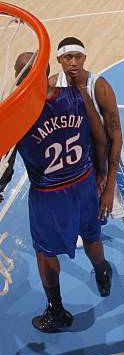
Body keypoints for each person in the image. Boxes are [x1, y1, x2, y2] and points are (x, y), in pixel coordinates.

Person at [0, 52, 112, 332]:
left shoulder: (20, 113)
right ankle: (102, 273)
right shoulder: (76, 96)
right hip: (83, 182)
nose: (16, 78)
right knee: (91, 234)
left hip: (50, 195)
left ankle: (57, 311)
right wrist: (101, 175)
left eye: (18, 72)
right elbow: (100, 140)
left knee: (45, 253)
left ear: (27, 76)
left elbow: (7, 164)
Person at [50, 37, 124, 278]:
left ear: (84, 58)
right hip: (77, 158)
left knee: (123, 206)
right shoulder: (53, 84)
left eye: (78, 57)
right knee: (80, 204)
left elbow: (116, 134)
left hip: (107, 157)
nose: (73, 62)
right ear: (59, 60)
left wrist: (108, 180)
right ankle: (83, 231)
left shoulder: (100, 86)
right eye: (67, 57)